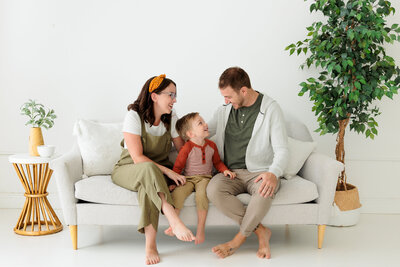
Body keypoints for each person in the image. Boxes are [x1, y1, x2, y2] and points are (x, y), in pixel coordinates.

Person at [111, 74, 195, 265]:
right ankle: (173, 219)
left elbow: (182, 151)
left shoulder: (171, 118)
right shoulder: (134, 116)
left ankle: (151, 245)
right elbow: (137, 158)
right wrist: (169, 172)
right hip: (128, 169)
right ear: (155, 96)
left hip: (155, 175)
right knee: (148, 167)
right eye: (171, 95)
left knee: (147, 189)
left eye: (175, 95)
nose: (175, 100)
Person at [206, 67, 289, 259]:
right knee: (213, 190)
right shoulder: (224, 110)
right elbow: (202, 130)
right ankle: (261, 231)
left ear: (243, 90)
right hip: (230, 173)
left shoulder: (270, 109)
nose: (225, 101)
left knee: (264, 191)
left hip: (259, 173)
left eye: (228, 96)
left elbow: (282, 149)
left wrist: (273, 173)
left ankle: (236, 242)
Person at [163, 112, 236, 244]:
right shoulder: (187, 148)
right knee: (178, 193)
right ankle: (174, 224)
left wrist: (225, 170)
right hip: (189, 178)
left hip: (205, 178)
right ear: (191, 134)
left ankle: (200, 229)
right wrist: (173, 182)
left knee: (202, 196)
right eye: (200, 123)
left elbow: (217, 163)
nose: (205, 124)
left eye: (203, 121)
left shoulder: (211, 146)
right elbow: (178, 167)